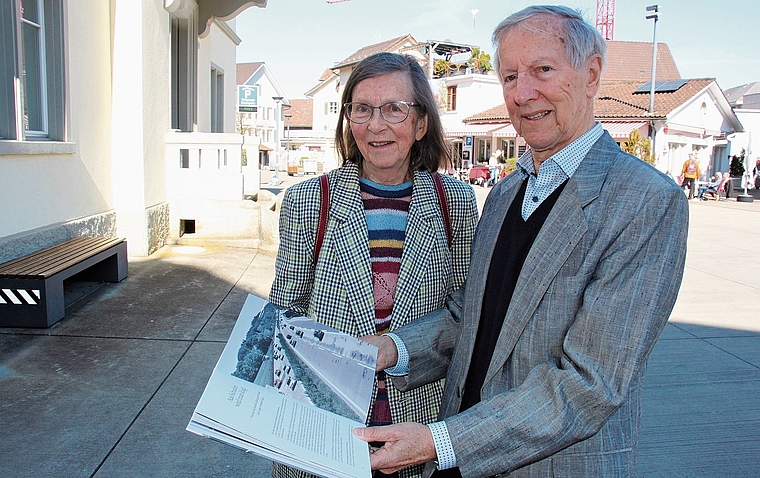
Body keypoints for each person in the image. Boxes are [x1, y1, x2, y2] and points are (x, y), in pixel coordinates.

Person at [353, 6, 689, 477]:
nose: (523, 93)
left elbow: (589, 384)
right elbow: (471, 313)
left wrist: (441, 442)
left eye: (542, 70)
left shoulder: (645, 202)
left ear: (591, 74)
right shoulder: (506, 192)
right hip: (460, 456)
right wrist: (390, 350)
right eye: (510, 76)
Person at [269, 52, 479, 478]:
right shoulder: (310, 201)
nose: (376, 125)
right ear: (348, 120)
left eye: (394, 109)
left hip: (417, 423)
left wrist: (397, 349)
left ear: (421, 123)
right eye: (362, 109)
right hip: (326, 427)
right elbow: (283, 316)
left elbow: (465, 315)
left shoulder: (454, 203)